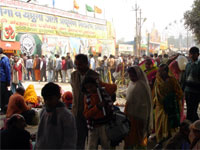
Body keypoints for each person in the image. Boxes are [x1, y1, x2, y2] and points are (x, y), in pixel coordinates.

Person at [35, 82, 77, 149]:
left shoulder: (66, 116)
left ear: (58, 97)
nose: (47, 102)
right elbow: (40, 136)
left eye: (50, 99)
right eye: (45, 99)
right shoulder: (43, 112)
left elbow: (69, 141)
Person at [71, 54, 99, 149]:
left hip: (91, 113)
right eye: (76, 64)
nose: (78, 67)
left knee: (92, 141)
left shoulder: (95, 76)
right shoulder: (73, 75)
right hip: (77, 112)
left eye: (81, 64)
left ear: (87, 64)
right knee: (78, 140)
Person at [82, 77, 117, 150]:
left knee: (106, 145)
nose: (90, 89)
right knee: (91, 146)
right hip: (93, 126)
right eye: (87, 88)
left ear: (95, 85)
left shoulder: (103, 92)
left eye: (91, 87)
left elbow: (114, 87)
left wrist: (100, 83)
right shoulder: (87, 98)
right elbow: (86, 114)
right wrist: (97, 107)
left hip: (104, 125)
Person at [153, 64, 183, 145]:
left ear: (166, 71)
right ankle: (160, 140)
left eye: (161, 70)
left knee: (169, 124)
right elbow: (155, 93)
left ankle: (169, 141)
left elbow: (179, 93)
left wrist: (170, 99)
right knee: (159, 124)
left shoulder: (172, 80)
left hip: (170, 107)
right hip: (160, 106)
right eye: (159, 70)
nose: (159, 72)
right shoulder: (157, 80)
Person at [124, 66, 153, 149]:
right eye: (130, 76)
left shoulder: (142, 86)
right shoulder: (131, 84)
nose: (131, 78)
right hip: (130, 115)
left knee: (138, 139)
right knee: (130, 138)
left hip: (139, 117)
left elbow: (145, 104)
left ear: (138, 75)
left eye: (133, 76)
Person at [182, 47, 200, 122]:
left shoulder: (199, 65)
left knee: (193, 109)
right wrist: (182, 89)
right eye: (190, 54)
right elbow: (185, 77)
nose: (192, 56)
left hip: (196, 91)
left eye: (194, 54)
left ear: (198, 55)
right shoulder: (188, 65)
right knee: (189, 109)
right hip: (188, 90)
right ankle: (191, 126)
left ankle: (192, 125)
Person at [0, 47, 11, 113]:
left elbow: (7, 70)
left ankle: (3, 109)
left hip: (2, 80)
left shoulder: (4, 59)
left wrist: (8, 81)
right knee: (3, 95)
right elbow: (7, 70)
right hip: (2, 80)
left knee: (2, 95)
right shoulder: (4, 59)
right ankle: (3, 109)